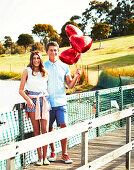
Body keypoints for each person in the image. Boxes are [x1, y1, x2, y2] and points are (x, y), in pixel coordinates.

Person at [44, 41, 81, 164]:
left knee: (64, 127)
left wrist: (76, 76)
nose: (53, 52)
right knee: (49, 128)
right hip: (47, 104)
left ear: (58, 51)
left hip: (61, 103)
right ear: (46, 52)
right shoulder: (43, 67)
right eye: (51, 50)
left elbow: (70, 85)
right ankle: (53, 152)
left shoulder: (64, 66)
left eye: (55, 50)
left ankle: (64, 154)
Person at [19, 51, 51, 166]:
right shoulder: (26, 71)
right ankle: (39, 157)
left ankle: (46, 157)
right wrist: (28, 100)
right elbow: (21, 90)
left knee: (45, 131)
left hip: (44, 101)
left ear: (40, 59)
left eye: (38, 58)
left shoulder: (44, 72)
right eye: (34, 58)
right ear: (31, 59)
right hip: (32, 102)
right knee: (36, 131)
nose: (36, 60)